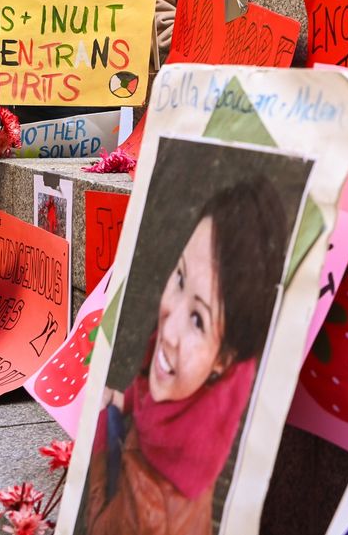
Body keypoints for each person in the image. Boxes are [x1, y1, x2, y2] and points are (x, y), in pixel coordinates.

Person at [78, 177, 288, 534]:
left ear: (224, 359)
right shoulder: (216, 385)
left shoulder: (147, 509)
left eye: (197, 319)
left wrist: (98, 431)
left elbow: (95, 525)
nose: (168, 330)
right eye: (179, 277)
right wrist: (125, 399)